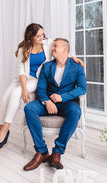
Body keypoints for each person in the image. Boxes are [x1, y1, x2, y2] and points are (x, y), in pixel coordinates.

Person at [0, 24, 83, 149]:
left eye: (42, 35)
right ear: (31, 37)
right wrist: (24, 88)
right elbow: (22, 72)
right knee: (4, 97)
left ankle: (5, 128)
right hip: (23, 78)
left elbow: (62, 49)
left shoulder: (48, 43)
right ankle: (1, 129)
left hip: (36, 79)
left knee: (14, 94)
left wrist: (73, 58)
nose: (42, 38)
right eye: (38, 36)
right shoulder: (23, 49)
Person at [23, 38, 86, 171]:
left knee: (75, 112)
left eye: (55, 46)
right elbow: (41, 88)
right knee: (29, 108)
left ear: (65, 49)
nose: (52, 48)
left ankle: (57, 152)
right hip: (48, 103)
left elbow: (82, 88)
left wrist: (62, 97)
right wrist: (47, 102)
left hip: (67, 103)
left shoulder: (77, 66)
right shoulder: (47, 66)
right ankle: (42, 151)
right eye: (52, 46)